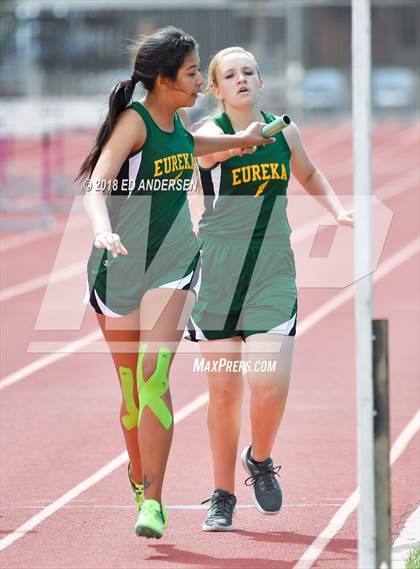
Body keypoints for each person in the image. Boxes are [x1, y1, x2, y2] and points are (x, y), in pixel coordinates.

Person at [77, 29, 273, 540]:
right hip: (117, 266)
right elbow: (98, 182)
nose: (198, 81)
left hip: (173, 263)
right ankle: (139, 481)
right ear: (164, 80)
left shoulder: (180, 120)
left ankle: (155, 501)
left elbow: (191, 143)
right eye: (192, 73)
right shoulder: (134, 123)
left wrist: (242, 140)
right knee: (129, 393)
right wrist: (101, 226)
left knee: (152, 375)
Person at [187, 47, 354, 532]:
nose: (241, 80)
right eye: (230, 75)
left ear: (261, 81)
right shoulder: (209, 135)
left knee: (268, 385)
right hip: (218, 271)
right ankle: (221, 496)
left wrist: (336, 210)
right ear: (216, 90)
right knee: (222, 391)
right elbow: (213, 156)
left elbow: (307, 172)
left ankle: (258, 459)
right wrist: (244, 140)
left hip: (271, 270)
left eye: (249, 72)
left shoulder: (287, 131)